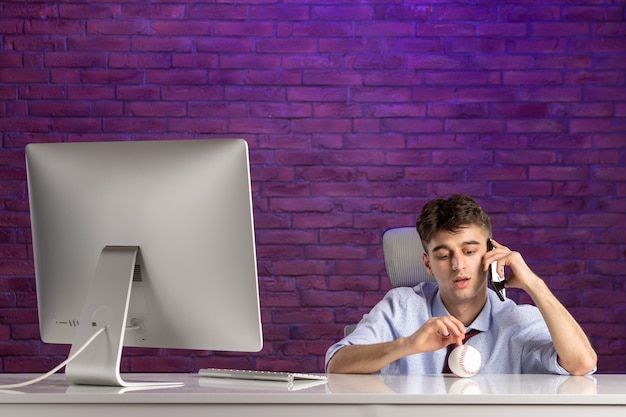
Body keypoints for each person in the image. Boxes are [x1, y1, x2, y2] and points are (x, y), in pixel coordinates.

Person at [325, 194, 597, 376]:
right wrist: (407, 345)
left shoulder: (517, 319)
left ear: (490, 253)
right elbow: (336, 364)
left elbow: (582, 364)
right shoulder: (401, 306)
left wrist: (534, 284)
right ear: (428, 263)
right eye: (443, 256)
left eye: (469, 252)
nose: (457, 265)